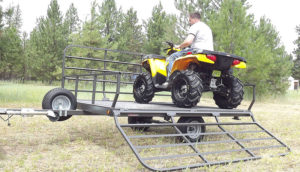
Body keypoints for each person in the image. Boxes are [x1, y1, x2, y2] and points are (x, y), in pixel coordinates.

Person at [163, 12, 214, 87]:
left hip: (197, 51)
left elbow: (188, 41)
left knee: (172, 57)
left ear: (194, 19)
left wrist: (179, 46)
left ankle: (170, 80)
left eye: (190, 20)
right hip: (209, 52)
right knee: (186, 50)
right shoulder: (207, 27)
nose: (189, 22)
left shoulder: (195, 26)